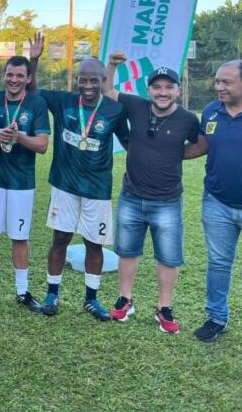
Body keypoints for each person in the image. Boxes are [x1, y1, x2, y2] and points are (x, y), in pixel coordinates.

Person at [102, 52, 201, 333]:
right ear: (149, 90)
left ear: (178, 90)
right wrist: (112, 65)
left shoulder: (187, 119)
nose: (163, 92)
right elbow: (108, 91)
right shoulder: (137, 105)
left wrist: (176, 154)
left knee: (168, 257)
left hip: (167, 201)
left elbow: (201, 144)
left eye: (169, 87)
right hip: (131, 196)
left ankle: (164, 308)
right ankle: (125, 300)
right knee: (127, 251)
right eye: (157, 87)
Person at [29, 50, 129, 321]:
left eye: (94, 80)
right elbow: (33, 91)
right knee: (60, 239)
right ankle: (52, 294)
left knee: (94, 244)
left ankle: (91, 299)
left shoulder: (114, 110)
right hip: (65, 185)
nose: (88, 85)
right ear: (77, 81)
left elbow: (129, 142)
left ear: (103, 80)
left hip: (97, 188)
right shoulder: (64, 102)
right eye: (83, 80)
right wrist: (35, 60)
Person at [0, 50, 50, 312]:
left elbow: (42, 145)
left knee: (20, 237)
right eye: (10, 74)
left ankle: (22, 291)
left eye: (19, 75)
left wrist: (18, 137)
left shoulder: (36, 104)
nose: (14, 79)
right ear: (4, 76)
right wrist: (0, 138)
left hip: (22, 183)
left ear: (29, 78)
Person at [189, 60, 242, 342]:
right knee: (218, 264)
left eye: (226, 82)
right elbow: (202, 145)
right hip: (217, 202)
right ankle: (216, 318)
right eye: (217, 81)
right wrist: (161, 153)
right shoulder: (211, 111)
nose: (219, 87)